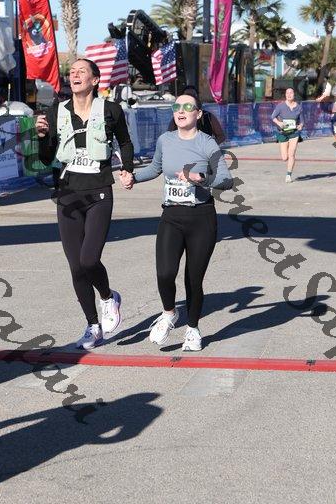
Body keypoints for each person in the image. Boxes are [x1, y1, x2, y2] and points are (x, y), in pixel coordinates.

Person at [119, 94, 233, 351]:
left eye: (187, 107)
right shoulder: (165, 140)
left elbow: (226, 180)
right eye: (176, 106)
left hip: (201, 218)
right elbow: (155, 168)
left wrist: (200, 177)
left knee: (193, 279)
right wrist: (133, 178)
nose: (180, 111)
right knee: (164, 273)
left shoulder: (207, 144)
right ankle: (169, 313)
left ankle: (192, 329)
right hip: (171, 216)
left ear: (198, 114)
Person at [35, 59, 134, 349]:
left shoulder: (111, 110)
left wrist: (127, 169)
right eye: (72, 72)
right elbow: (46, 157)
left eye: (82, 71)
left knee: (89, 259)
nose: (74, 75)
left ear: (95, 80)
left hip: (99, 190)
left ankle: (108, 297)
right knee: (76, 267)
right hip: (67, 193)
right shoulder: (56, 111)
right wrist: (41, 137)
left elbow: (125, 142)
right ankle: (92, 326)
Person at [271, 88, 304, 183]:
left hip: (294, 133)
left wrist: (301, 126)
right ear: (285, 95)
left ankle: (288, 175)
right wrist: (279, 123)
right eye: (287, 93)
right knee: (284, 157)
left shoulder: (299, 107)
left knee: (291, 154)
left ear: (294, 94)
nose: (289, 95)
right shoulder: (280, 106)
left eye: (291, 93)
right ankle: (287, 158)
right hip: (283, 133)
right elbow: (272, 117)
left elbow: (302, 121)